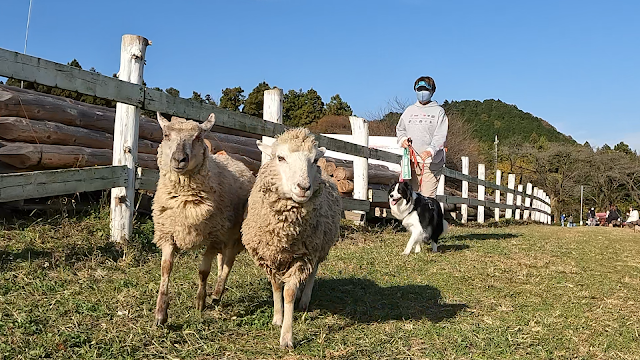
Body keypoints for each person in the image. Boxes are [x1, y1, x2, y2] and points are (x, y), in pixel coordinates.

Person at [396, 76, 448, 198]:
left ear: (432, 91)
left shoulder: (439, 111)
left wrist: (430, 150)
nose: (422, 92)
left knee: (427, 197)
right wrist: (403, 140)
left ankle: (428, 217)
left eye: (425, 89)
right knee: (411, 197)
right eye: (419, 89)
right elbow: (400, 129)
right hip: (412, 162)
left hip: (431, 162)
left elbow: (440, 135)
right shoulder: (409, 111)